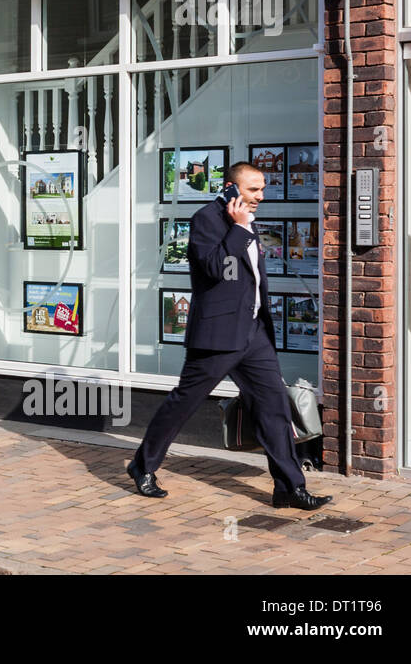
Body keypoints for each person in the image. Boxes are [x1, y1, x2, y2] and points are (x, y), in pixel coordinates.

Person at [127, 161, 333, 510]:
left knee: (274, 409)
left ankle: (289, 487)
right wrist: (238, 229)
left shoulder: (248, 222)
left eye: (263, 189)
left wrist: (244, 228)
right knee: (184, 404)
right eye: (253, 189)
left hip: (254, 333)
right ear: (232, 187)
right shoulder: (206, 219)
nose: (261, 196)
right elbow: (213, 268)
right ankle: (142, 466)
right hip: (218, 334)